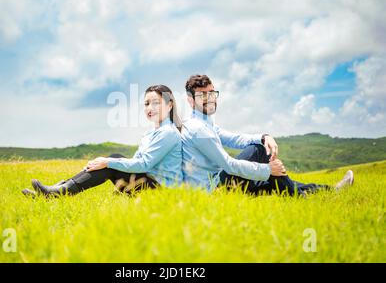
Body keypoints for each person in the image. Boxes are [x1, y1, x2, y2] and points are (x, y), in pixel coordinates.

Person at [181, 74, 354, 196]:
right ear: (190, 100)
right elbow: (229, 165)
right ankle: (328, 192)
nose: (210, 98)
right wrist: (267, 168)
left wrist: (264, 136)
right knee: (258, 150)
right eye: (202, 95)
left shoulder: (206, 123)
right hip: (214, 190)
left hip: (220, 185)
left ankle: (331, 192)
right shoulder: (198, 129)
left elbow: (235, 139)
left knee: (274, 181)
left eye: (211, 93)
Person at [22, 85, 183, 198]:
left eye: (156, 103)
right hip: (148, 185)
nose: (150, 108)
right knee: (111, 160)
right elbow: (135, 161)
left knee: (111, 159)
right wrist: (108, 164)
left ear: (169, 105)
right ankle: (58, 190)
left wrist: (107, 162)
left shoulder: (168, 133)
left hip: (162, 193)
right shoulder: (150, 133)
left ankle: (61, 191)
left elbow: (144, 164)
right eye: (147, 103)